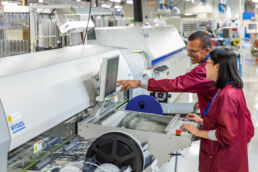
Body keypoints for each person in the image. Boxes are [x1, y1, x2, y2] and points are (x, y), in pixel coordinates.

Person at [181, 47, 254, 172]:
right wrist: (203, 122)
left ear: (217, 67)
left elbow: (226, 135)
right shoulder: (230, 87)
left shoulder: (227, 96)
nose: (205, 67)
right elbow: (230, 122)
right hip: (232, 157)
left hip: (222, 161)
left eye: (208, 63)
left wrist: (197, 132)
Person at [117, 31, 218, 117]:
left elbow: (176, 84)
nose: (188, 54)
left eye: (192, 51)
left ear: (207, 50)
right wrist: (208, 100)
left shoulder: (204, 70)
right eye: (188, 50)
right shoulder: (216, 61)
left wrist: (140, 83)